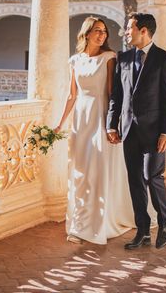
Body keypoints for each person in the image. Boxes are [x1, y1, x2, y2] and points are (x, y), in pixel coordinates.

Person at [54, 16, 134, 244]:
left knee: (98, 168)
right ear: (86, 34)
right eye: (97, 31)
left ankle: (100, 221)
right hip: (81, 119)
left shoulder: (109, 58)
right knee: (80, 171)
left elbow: (112, 94)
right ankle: (80, 220)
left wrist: (112, 125)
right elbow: (72, 95)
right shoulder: (75, 60)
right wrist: (61, 123)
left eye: (104, 31)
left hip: (100, 117)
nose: (102, 35)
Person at [106, 12, 166, 250]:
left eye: (129, 28)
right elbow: (117, 95)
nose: (126, 32)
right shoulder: (123, 58)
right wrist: (111, 123)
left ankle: (164, 223)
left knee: (152, 176)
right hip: (128, 131)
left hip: (155, 132)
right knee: (135, 181)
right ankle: (143, 231)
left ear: (143, 30)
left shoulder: (164, 59)